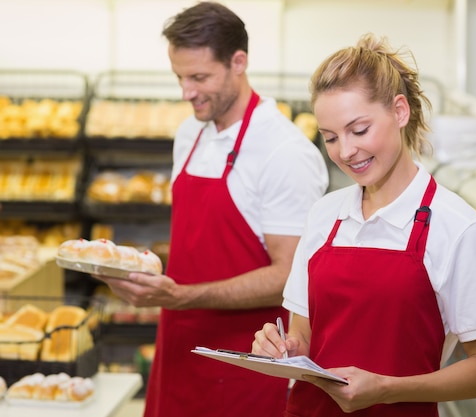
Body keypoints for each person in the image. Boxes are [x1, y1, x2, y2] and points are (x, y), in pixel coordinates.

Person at [252, 33, 476, 416]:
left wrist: (387, 389)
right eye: (330, 138)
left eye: (359, 130)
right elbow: (303, 334)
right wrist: (284, 349)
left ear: (400, 111)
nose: (345, 151)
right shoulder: (325, 215)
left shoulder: (459, 229)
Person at [96, 2, 328, 417]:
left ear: (238, 62)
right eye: (180, 77)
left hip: (245, 362)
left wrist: (181, 296)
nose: (186, 92)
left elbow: (289, 277)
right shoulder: (189, 133)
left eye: (199, 77)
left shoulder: (283, 151)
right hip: (178, 348)